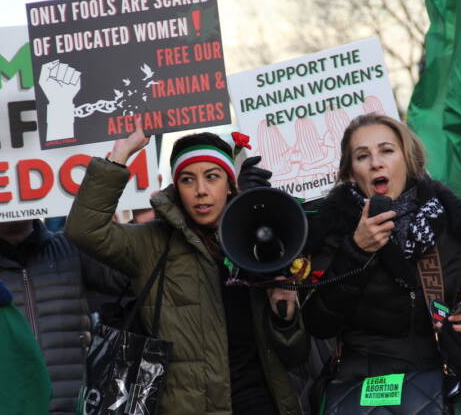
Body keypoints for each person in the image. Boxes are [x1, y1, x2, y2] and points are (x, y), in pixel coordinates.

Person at [65, 118, 308, 415]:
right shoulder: (152, 244)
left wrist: (285, 318)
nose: (201, 190)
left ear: (231, 185)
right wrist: (120, 155)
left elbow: (294, 354)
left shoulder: (261, 243)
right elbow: (83, 230)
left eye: (212, 176)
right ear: (176, 188)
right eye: (187, 179)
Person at [303, 113, 461, 412]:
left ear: (408, 159)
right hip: (363, 389)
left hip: (441, 384)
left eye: (386, 150)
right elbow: (318, 322)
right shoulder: (332, 232)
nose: (376, 163)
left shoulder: (451, 224)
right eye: (362, 156)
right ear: (350, 173)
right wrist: (356, 250)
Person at [0, 219, 128, 415]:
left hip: (78, 405)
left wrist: (143, 228)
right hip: (7, 407)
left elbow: (129, 277)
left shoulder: (71, 249)